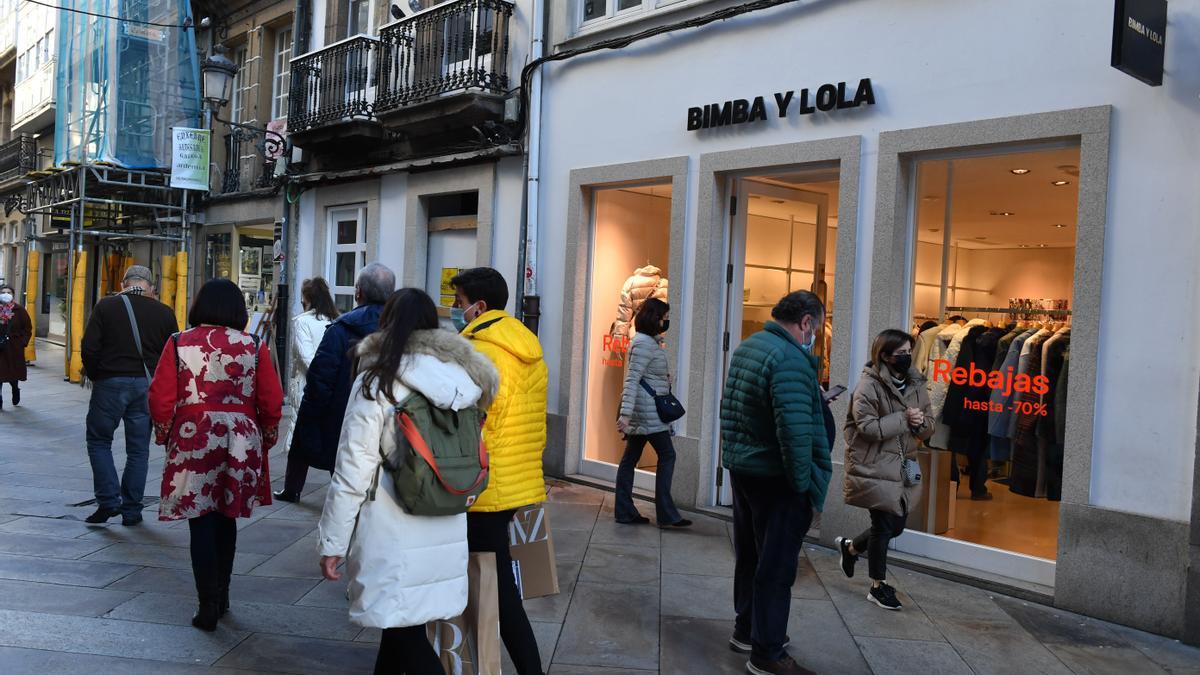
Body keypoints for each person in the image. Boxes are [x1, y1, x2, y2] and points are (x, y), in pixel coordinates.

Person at [318, 289, 499, 675]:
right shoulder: (462, 380)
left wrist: (333, 541)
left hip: (393, 526)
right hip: (445, 516)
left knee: (405, 635)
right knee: (402, 628)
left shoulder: (380, 380)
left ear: (386, 323)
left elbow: (353, 468)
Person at [148, 278, 282, 631]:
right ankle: (222, 595)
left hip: (194, 435)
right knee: (227, 515)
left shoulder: (179, 342)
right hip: (240, 438)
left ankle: (207, 603)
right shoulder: (253, 345)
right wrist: (266, 436)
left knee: (200, 519)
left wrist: (166, 434)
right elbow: (271, 398)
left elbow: (161, 398)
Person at [720, 290, 832, 675]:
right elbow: (795, 433)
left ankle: (747, 629)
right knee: (777, 567)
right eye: (815, 327)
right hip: (776, 477)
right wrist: (804, 487)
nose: (814, 334)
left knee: (751, 554)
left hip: (745, 468)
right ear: (805, 322)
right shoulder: (790, 358)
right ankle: (767, 653)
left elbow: (740, 407)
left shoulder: (751, 346)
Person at [450, 267, 547, 675]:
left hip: (483, 487)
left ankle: (527, 668)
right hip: (517, 482)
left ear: (480, 306)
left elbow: (469, 419)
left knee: (498, 591)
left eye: (458, 302)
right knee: (499, 582)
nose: (455, 309)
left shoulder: (480, 352)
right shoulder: (526, 347)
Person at [836, 329, 934, 611]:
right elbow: (867, 428)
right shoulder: (868, 386)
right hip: (875, 464)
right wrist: (903, 419)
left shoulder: (916, 383)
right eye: (900, 353)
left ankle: (851, 549)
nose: (906, 357)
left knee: (897, 525)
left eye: (909, 352)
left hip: (904, 463)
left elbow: (929, 424)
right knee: (883, 526)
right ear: (884, 356)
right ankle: (878, 586)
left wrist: (919, 423)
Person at [80, 265, 178, 526]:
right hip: (146, 387)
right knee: (138, 450)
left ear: (124, 283)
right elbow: (173, 356)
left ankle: (108, 501)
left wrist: (96, 375)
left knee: (99, 441)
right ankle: (132, 510)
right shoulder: (164, 312)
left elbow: (89, 347)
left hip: (110, 383)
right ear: (150, 285)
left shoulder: (106, 306)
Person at [288, 262, 395, 479]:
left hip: (345, 417)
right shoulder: (403, 328)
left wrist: (309, 420)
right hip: (393, 423)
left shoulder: (341, 329)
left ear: (358, 292)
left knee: (344, 475)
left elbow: (321, 380)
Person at [614, 298, 691, 528]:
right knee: (667, 455)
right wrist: (625, 414)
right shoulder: (644, 344)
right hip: (647, 413)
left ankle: (625, 511)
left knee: (630, 459)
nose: (665, 322)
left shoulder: (648, 342)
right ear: (653, 318)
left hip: (644, 411)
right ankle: (666, 514)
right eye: (663, 318)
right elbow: (632, 379)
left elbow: (644, 377)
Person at [274, 277, 339, 503]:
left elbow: (305, 356)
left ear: (307, 298)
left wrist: (319, 376)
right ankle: (339, 489)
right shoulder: (336, 320)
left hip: (307, 386)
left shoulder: (301, 322)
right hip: (333, 386)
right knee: (332, 436)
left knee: (299, 437)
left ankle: (292, 489)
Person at [0, 284, 31, 410]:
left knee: (12, 373)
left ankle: (15, 389)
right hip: (0, 347)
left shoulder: (20, 310)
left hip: (14, 347)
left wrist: (22, 342)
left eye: (9, 292)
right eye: (3, 292)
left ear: (13, 295)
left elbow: (28, 328)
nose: (6, 294)